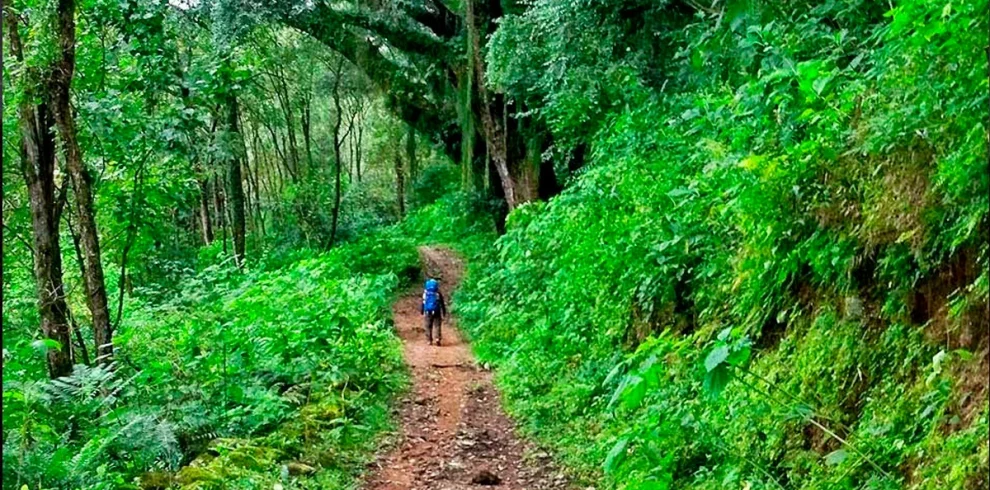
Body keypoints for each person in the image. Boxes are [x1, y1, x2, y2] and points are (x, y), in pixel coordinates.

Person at [421, 278, 447, 346]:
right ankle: (437, 338)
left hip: (427, 311)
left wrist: (422, 310)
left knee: (428, 326)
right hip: (437, 310)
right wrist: (444, 311)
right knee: (437, 325)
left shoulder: (426, 292)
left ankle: (429, 340)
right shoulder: (438, 292)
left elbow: (423, 302)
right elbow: (442, 303)